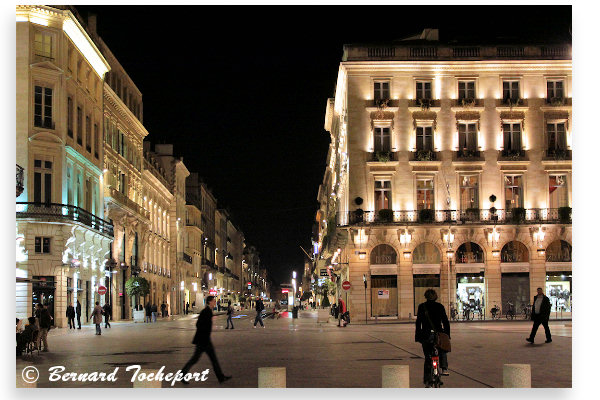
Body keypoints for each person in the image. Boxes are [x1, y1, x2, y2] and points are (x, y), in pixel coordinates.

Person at [180, 296, 232, 384]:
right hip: (203, 341)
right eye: (213, 301)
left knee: (208, 359)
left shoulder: (208, 311)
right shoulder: (206, 311)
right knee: (198, 359)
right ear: (209, 302)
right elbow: (198, 324)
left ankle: (220, 377)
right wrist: (204, 334)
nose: (215, 302)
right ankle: (182, 375)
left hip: (204, 340)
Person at [415, 289, 450, 387]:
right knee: (442, 349)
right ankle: (444, 368)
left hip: (426, 335)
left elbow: (418, 323)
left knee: (427, 357)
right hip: (438, 334)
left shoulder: (422, 307)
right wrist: (447, 334)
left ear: (425, 296)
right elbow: (445, 321)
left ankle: (427, 380)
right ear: (435, 297)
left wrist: (418, 336)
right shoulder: (440, 306)